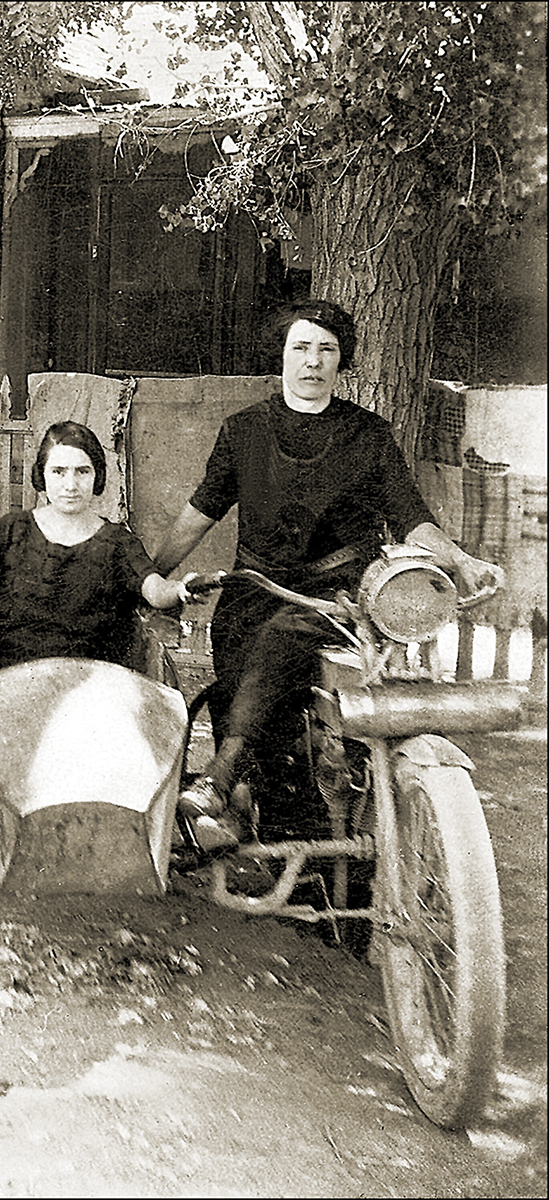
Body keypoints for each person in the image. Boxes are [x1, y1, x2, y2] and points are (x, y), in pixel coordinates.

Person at [153, 299, 505, 850]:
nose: (312, 361)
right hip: (253, 590)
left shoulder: (369, 435)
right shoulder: (243, 431)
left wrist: (461, 560)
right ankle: (243, 798)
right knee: (239, 646)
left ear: (342, 362)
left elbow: (413, 520)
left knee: (283, 637)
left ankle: (221, 778)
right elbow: (198, 514)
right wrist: (151, 578)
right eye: (301, 347)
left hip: (336, 600)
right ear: (282, 356)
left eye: (327, 350)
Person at [0, 421, 197, 683]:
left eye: (82, 471)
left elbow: (154, 589)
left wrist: (181, 589)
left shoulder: (118, 542)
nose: (70, 485)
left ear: (97, 477)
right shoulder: (13, 530)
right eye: (58, 472)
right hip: (11, 683)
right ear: (41, 475)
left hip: (92, 688)